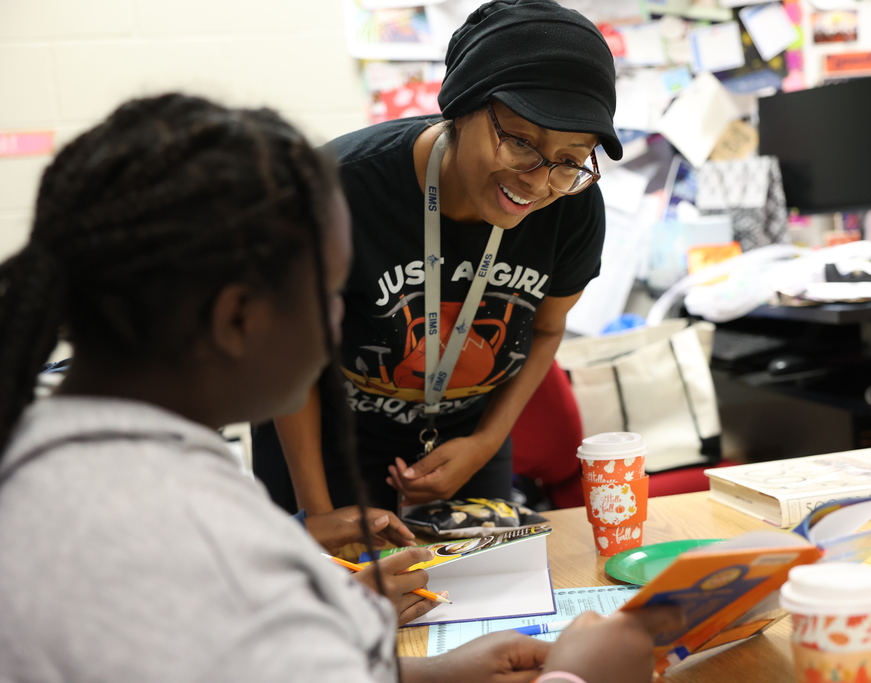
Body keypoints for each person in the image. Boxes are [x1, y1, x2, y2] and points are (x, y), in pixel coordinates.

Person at [0, 93, 676, 683]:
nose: (342, 322)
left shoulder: (71, 457)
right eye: (330, 294)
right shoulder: (187, 531)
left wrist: (405, 660)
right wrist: (574, 675)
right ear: (239, 318)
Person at [252, 0, 621, 514]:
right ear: (461, 106)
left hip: (463, 442)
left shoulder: (573, 207)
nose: (538, 182)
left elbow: (546, 329)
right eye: (520, 142)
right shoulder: (336, 190)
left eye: (569, 160)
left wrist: (485, 444)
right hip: (325, 440)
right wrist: (318, 513)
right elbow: (286, 352)